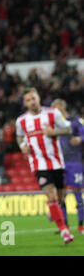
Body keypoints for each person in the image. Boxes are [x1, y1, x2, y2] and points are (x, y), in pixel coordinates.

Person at [15, 88, 74, 244]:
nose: (31, 102)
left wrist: (54, 131)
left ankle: (53, 210)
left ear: (38, 98)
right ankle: (65, 231)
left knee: (60, 197)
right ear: (24, 103)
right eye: (28, 100)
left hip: (56, 161)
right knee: (52, 196)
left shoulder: (53, 113)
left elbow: (68, 129)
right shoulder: (21, 121)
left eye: (33, 98)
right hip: (38, 164)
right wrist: (22, 146)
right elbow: (19, 137)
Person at [51, 99, 84, 234]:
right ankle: (65, 226)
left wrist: (80, 139)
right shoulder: (55, 125)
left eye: (55, 107)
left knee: (77, 194)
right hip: (60, 163)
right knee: (60, 195)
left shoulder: (75, 121)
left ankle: (81, 225)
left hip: (74, 163)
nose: (53, 110)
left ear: (62, 107)